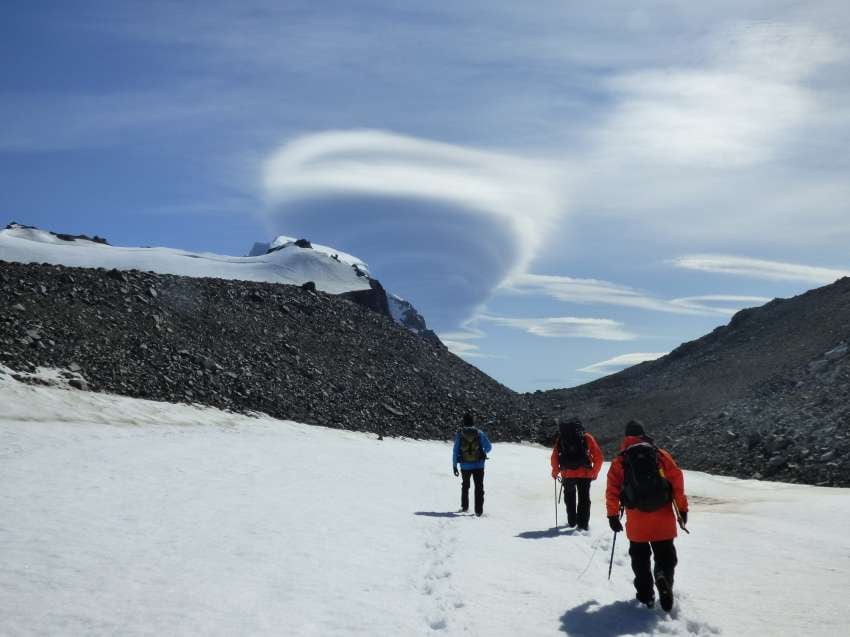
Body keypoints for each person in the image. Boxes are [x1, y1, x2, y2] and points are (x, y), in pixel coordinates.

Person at [606, 420, 689, 612]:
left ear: (626, 437)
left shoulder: (621, 460)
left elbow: (612, 490)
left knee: (640, 559)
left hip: (636, 520)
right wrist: (682, 510)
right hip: (663, 517)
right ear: (644, 434)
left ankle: (645, 597)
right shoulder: (659, 455)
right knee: (666, 556)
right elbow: (677, 481)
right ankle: (663, 576)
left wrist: (612, 515)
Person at [550, 416, 604, 530]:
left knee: (569, 497)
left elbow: (555, 456)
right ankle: (583, 525)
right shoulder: (586, 437)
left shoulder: (562, 438)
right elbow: (598, 456)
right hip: (585, 473)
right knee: (584, 498)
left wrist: (556, 471)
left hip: (567, 473)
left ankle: (572, 521)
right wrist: (595, 471)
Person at [452, 414, 492, 516]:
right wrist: (482, 451)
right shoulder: (479, 433)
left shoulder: (460, 434)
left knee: (465, 486)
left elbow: (455, 451)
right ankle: (478, 511)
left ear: (464, 422)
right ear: (473, 422)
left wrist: (454, 465)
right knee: (479, 487)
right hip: (479, 465)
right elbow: (489, 447)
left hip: (465, 465)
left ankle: (465, 507)